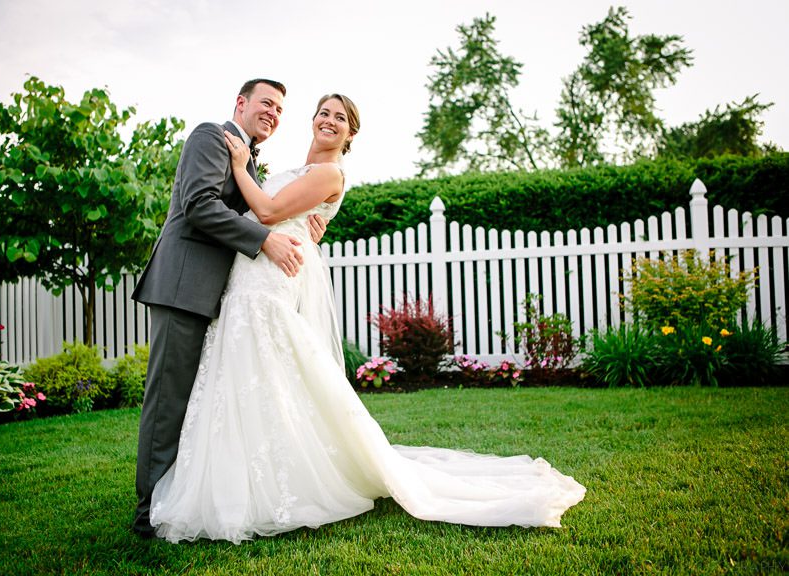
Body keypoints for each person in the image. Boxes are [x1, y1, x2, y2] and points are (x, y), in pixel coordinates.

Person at [149, 94, 586, 544]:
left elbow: (266, 212)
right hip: (249, 276)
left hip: (269, 283)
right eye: (323, 113)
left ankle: (274, 480)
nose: (329, 121)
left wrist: (240, 167)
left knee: (263, 371)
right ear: (312, 120)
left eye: (340, 118)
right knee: (246, 378)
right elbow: (267, 213)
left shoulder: (329, 173)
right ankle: (240, 475)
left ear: (351, 134)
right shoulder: (296, 170)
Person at [130, 78, 327, 538]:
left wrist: (300, 232)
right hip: (183, 288)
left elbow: (261, 211)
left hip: (214, 297)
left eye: (280, 109)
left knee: (196, 405)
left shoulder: (248, 161)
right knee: (168, 402)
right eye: (266, 103)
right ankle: (148, 513)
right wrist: (265, 240)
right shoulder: (209, 136)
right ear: (240, 103)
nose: (273, 113)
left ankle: (175, 499)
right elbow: (198, 205)